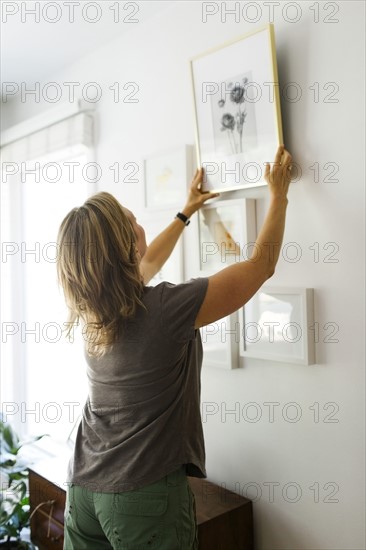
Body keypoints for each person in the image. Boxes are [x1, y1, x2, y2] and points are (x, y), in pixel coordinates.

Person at [57, 144, 292, 550]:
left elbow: (145, 264)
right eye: (125, 214)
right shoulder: (165, 309)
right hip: (140, 494)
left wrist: (186, 213)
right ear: (123, 241)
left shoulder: (94, 309)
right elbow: (260, 267)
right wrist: (280, 194)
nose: (133, 214)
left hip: (83, 487)